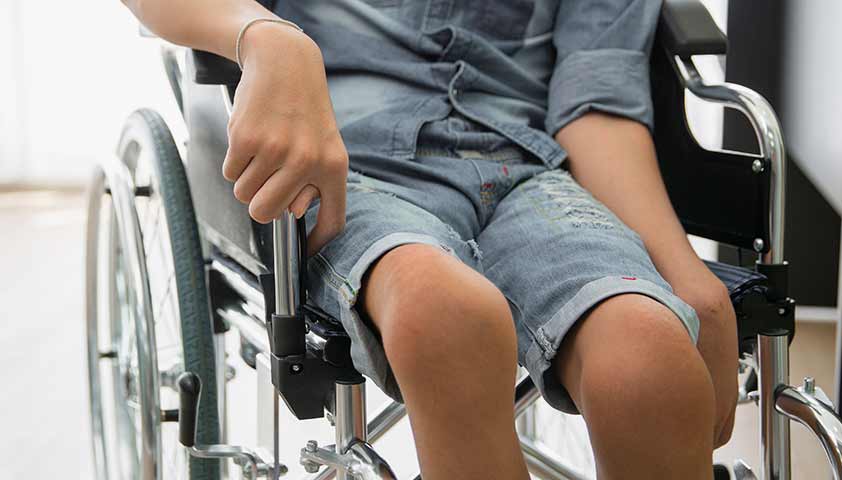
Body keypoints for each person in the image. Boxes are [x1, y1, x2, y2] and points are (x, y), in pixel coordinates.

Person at [121, 0, 738, 478]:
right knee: (444, 314)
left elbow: (596, 107)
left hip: (527, 165)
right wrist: (265, 35)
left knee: (651, 363)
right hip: (344, 160)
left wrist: (688, 276)